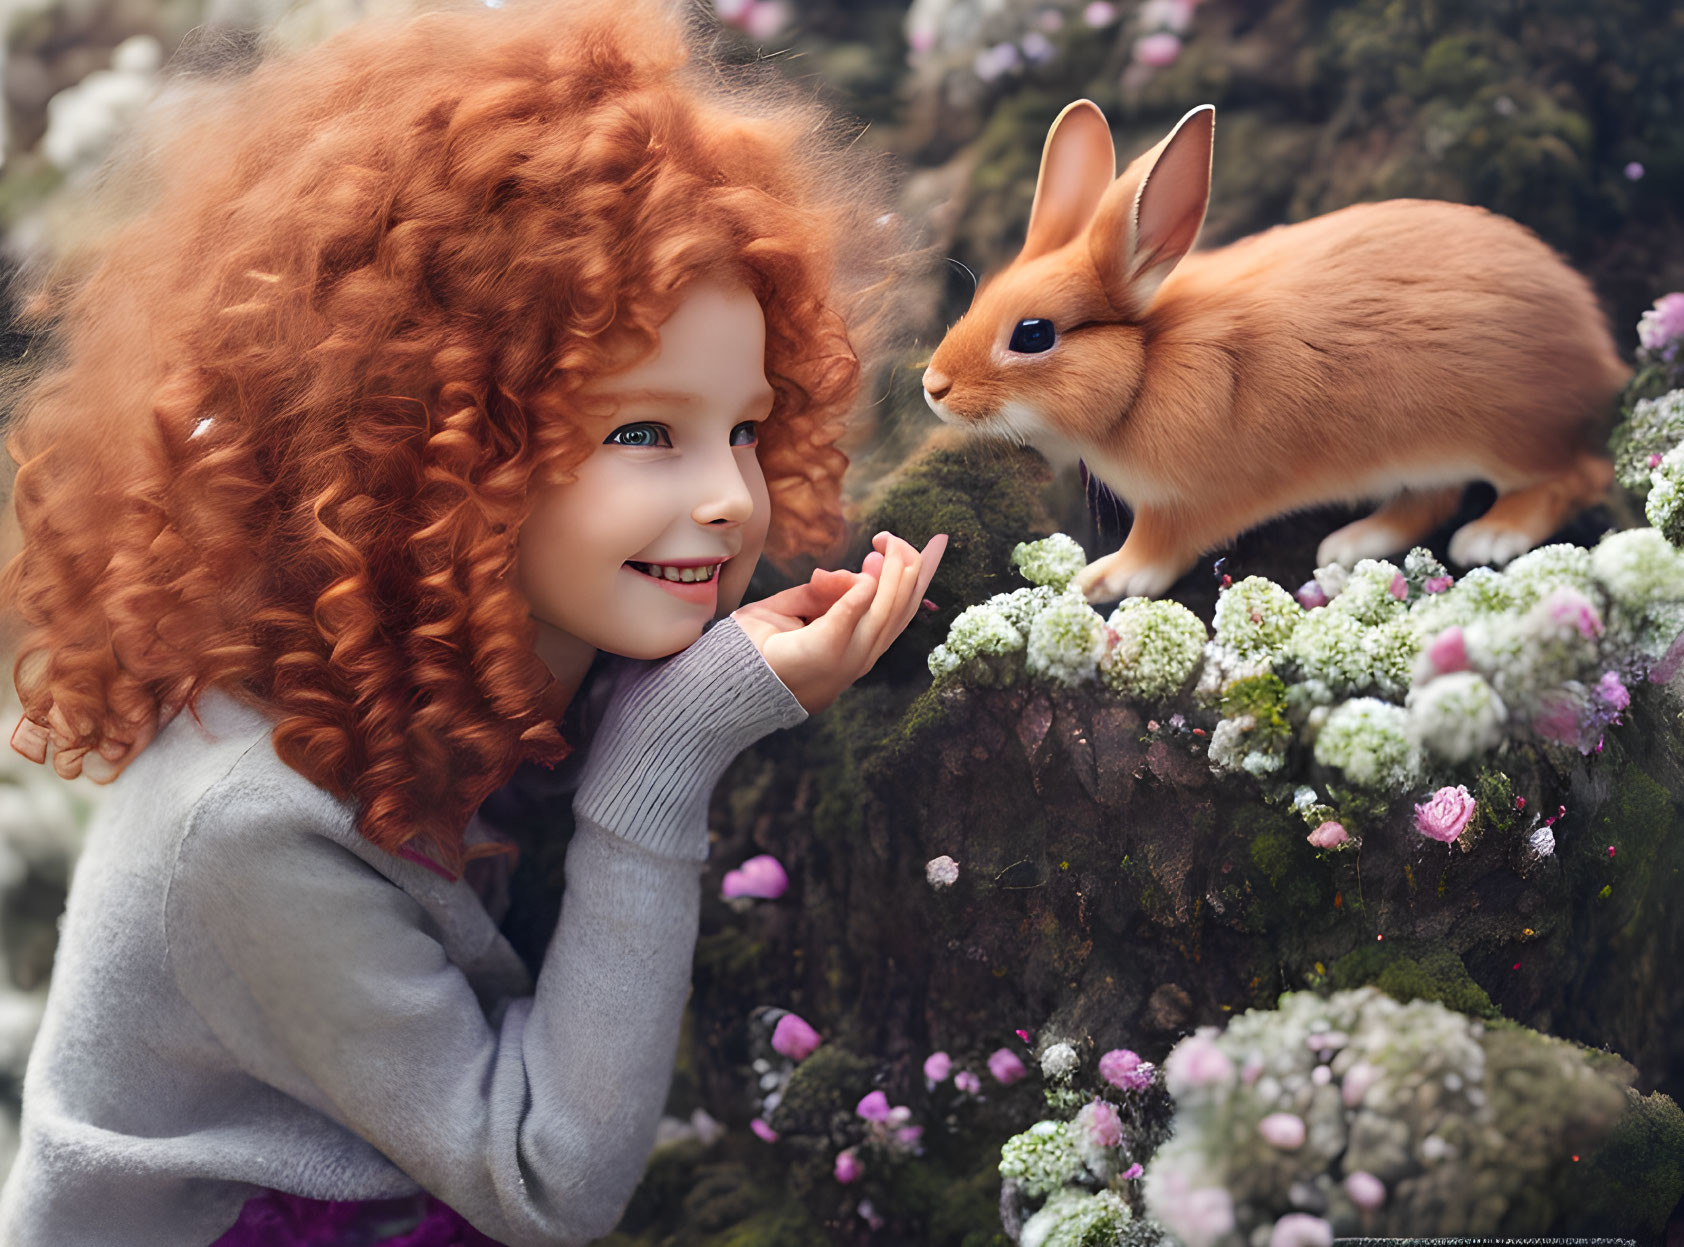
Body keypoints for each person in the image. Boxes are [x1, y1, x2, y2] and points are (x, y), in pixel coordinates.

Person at [0, 1, 942, 1242]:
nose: (728, 495)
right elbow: (546, 1179)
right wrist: (667, 747)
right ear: (440, 457)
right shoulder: (251, 819)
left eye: (746, 427)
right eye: (641, 433)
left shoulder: (493, 653)